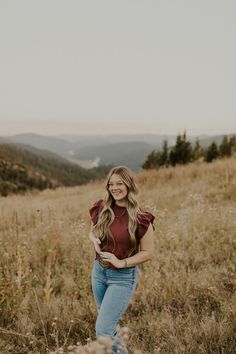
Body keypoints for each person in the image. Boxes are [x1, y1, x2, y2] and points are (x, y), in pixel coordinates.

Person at [88, 165, 155, 354]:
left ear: (129, 185)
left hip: (122, 278)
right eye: (111, 184)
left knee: (103, 330)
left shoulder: (141, 218)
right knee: (109, 326)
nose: (115, 188)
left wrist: (121, 263)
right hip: (99, 273)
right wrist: (92, 238)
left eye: (119, 183)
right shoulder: (102, 207)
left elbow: (148, 252)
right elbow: (93, 230)